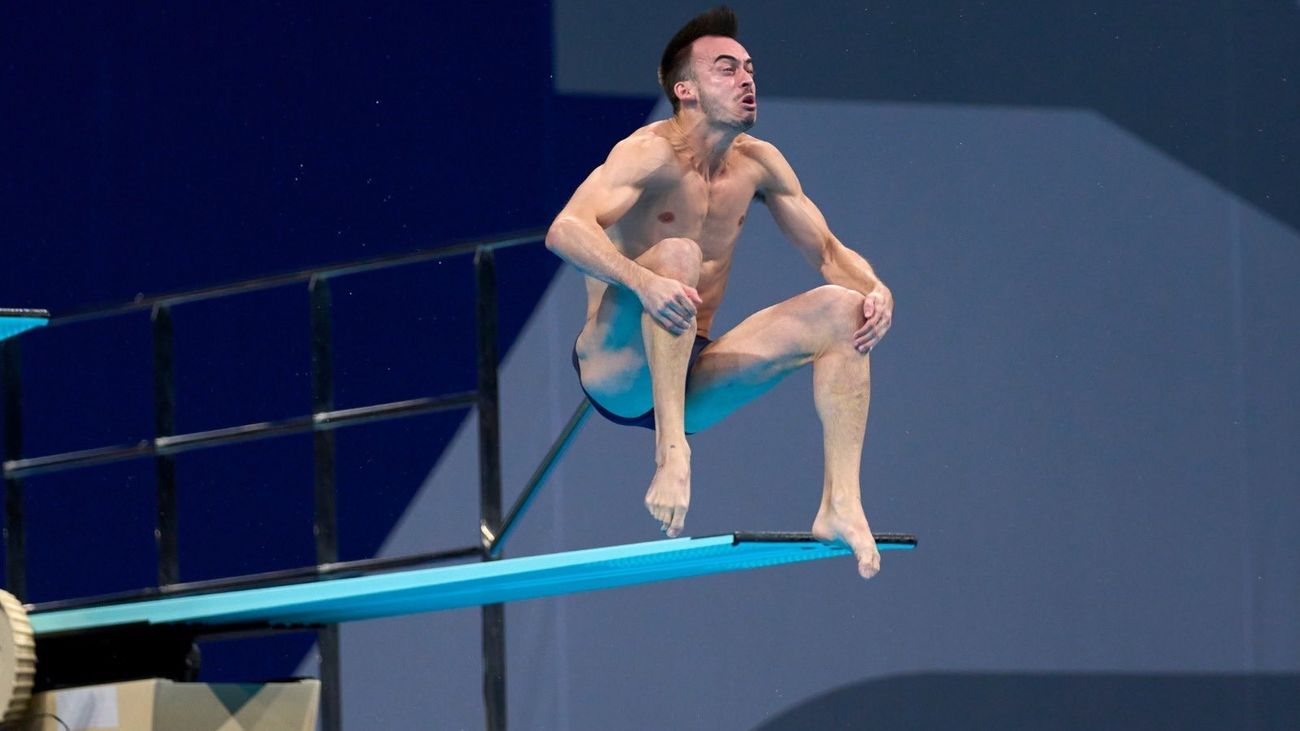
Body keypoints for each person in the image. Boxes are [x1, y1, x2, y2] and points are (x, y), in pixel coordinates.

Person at [545, 6, 894, 579]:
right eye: (726, 69)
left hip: (692, 368)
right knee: (677, 253)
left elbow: (829, 253)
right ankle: (671, 452)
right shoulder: (647, 153)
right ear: (686, 90)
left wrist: (875, 288)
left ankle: (841, 504)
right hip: (618, 369)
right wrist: (644, 281)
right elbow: (566, 229)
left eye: (749, 68)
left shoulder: (759, 165)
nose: (747, 80)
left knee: (843, 306)